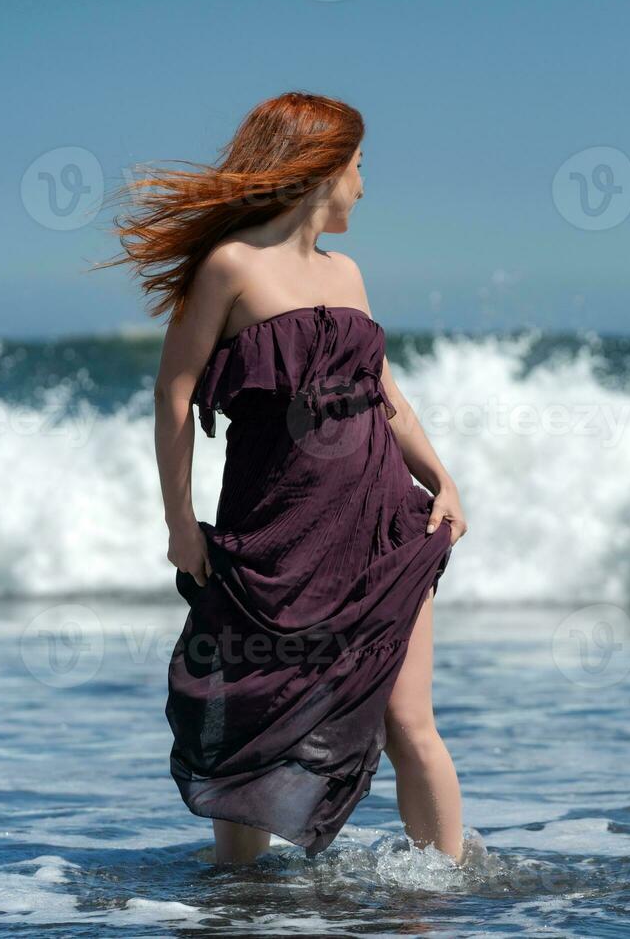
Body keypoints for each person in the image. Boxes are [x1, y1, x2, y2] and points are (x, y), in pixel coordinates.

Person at [106, 92, 469, 864]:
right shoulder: (230, 266)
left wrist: (441, 478)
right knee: (248, 718)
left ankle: (448, 896)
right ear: (323, 169)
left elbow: (385, 394)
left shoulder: (349, 274)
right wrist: (180, 523)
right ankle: (239, 901)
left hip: (379, 524)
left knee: (410, 722)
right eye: (361, 168)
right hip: (273, 531)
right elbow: (174, 392)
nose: (366, 188)